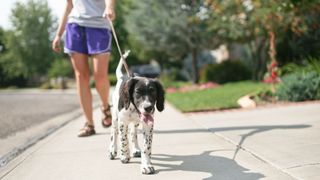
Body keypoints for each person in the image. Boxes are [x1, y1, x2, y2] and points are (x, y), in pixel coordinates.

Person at [52, 0, 115, 137]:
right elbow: (69, 6)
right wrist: (58, 34)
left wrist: (109, 7)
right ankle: (89, 124)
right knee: (81, 76)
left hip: (99, 25)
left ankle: (105, 106)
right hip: (75, 26)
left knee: (100, 76)